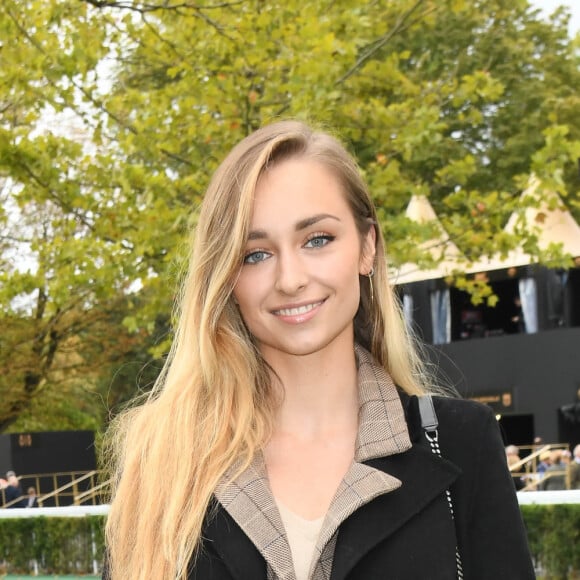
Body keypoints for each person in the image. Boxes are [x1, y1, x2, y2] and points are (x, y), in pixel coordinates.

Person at [103, 120, 534, 579]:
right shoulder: (164, 460)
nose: (290, 278)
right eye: (255, 254)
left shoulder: (460, 441)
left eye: (317, 240)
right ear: (227, 280)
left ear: (367, 247)